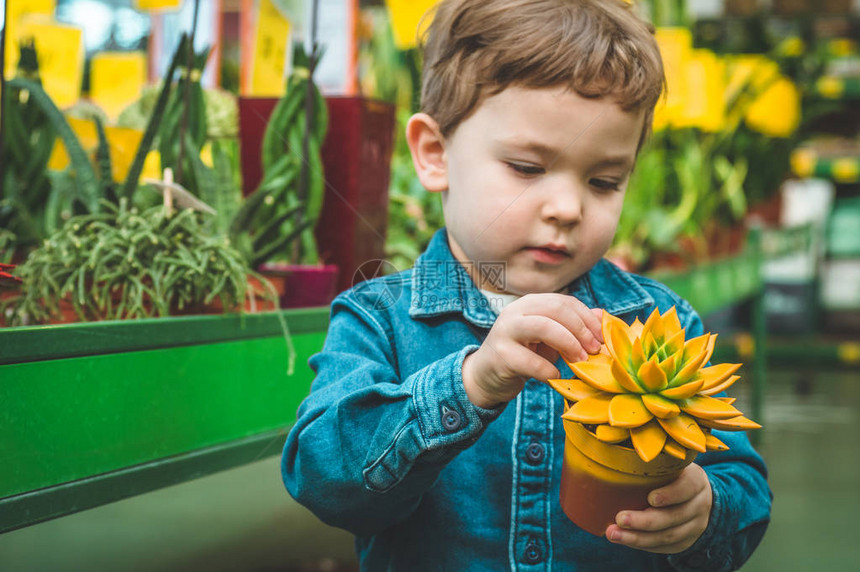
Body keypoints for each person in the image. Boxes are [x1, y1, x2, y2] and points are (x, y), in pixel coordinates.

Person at [282, 0, 772, 569]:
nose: (566, 207)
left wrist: (705, 509)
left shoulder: (657, 322)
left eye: (604, 180)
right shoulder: (380, 315)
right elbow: (323, 479)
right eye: (527, 168)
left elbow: (743, 487)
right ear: (435, 154)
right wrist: (469, 384)